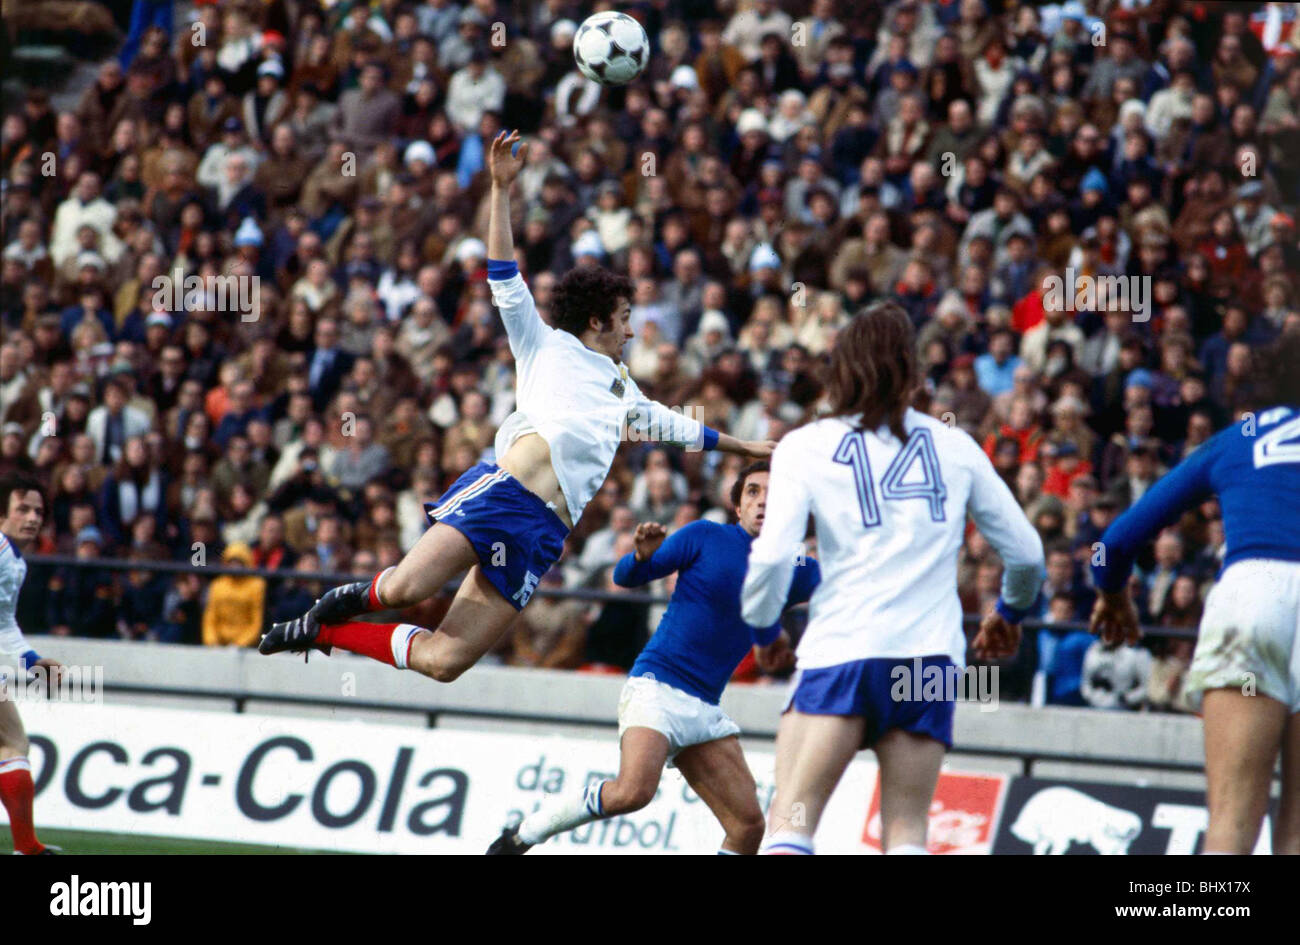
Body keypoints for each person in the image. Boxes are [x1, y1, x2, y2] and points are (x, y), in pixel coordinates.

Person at [258, 130, 773, 685]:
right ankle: (350, 597)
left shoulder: (627, 393)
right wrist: (501, 189)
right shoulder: (545, 344)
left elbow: (676, 427)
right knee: (406, 590)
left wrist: (747, 446)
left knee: (445, 661)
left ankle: (323, 633)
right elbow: (503, 275)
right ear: (597, 320)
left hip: (542, 534)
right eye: (624, 317)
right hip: (505, 494)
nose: (630, 329)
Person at [741, 301, 1045, 855]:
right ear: (912, 370)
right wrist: (1010, 614)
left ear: (842, 367)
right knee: (906, 831)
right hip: (928, 662)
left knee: (790, 822)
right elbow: (1026, 554)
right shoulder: (956, 446)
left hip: (843, 652)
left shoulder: (806, 446)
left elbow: (770, 559)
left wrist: (766, 634)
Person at [488, 461, 819, 855]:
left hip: (706, 709)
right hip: (658, 689)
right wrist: (642, 558)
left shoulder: (792, 567)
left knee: (748, 827)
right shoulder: (704, 535)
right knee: (633, 791)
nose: (763, 501)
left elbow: (849, 581)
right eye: (752, 492)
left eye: (774, 494)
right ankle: (523, 835)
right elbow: (626, 578)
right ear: (737, 506)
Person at [1090, 331, 1300, 855]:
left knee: (1229, 826)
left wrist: (1112, 594)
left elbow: (1115, 541)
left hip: (1251, 600)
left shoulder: (1237, 438)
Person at [0, 472, 63, 854]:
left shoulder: (15, 562)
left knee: (9, 742)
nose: (32, 517)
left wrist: (31, 660)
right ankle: (27, 847)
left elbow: (3, 621)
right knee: (11, 741)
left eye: (38, 511)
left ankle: (27, 846)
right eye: (22, 508)